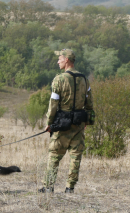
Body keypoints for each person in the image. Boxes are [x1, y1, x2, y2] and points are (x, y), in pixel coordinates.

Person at [39, 49, 93, 194]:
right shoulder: (84, 79)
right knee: (76, 156)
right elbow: (89, 103)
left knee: (54, 155)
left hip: (63, 123)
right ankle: (70, 187)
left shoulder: (59, 79)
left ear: (67, 60)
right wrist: (87, 120)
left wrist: (49, 123)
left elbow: (53, 103)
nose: (58, 61)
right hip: (79, 123)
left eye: (60, 59)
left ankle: (48, 186)